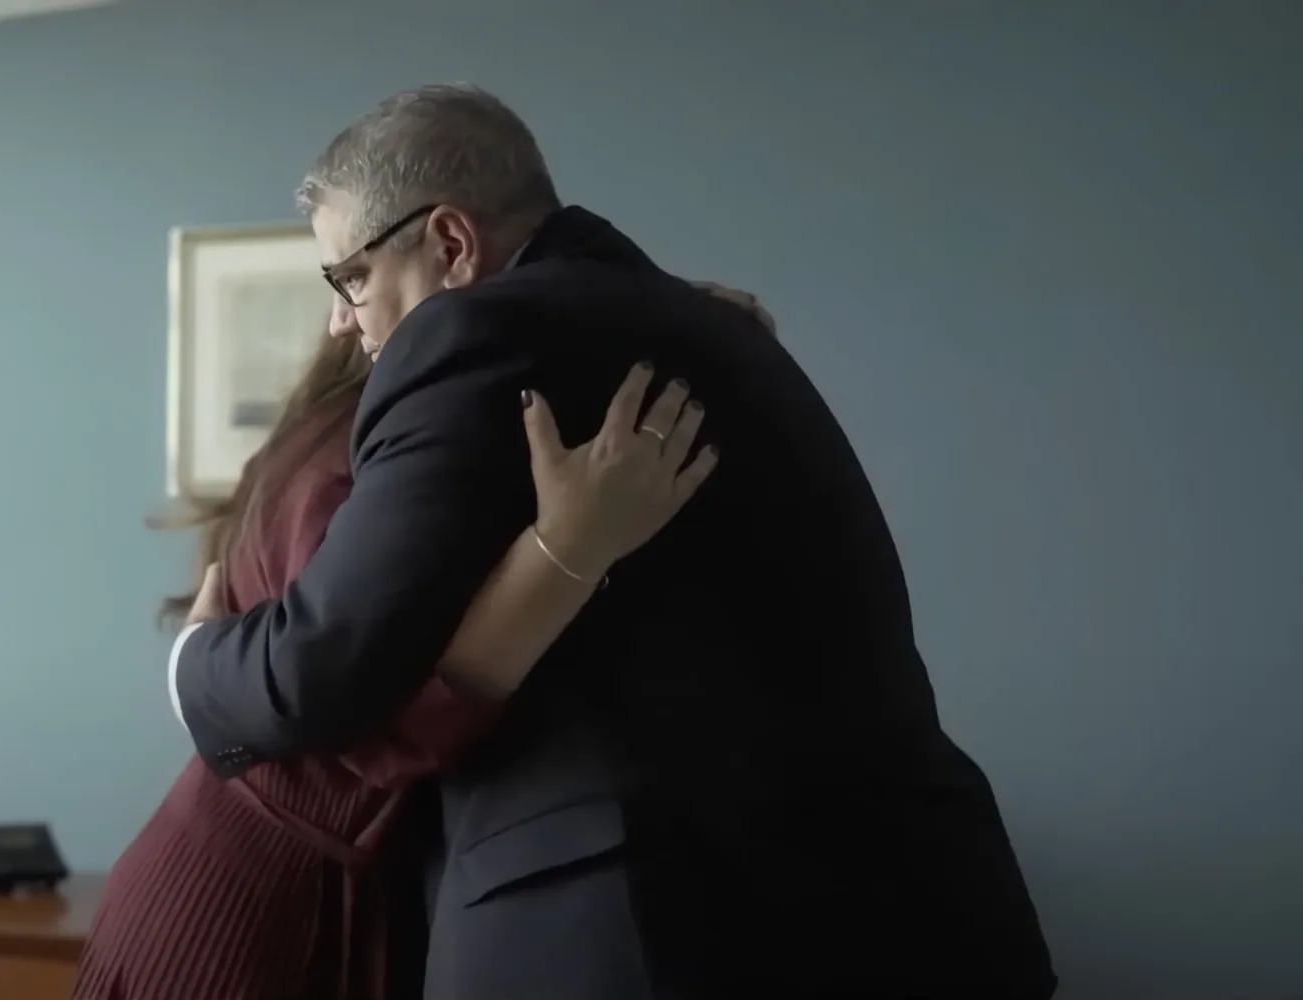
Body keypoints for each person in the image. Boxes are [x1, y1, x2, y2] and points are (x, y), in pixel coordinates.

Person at [170, 84, 1058, 999]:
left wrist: (194, 661)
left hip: (639, 927)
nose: (340, 318)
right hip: (918, 909)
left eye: (349, 278)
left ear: (449, 243)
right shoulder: (716, 328)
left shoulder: (471, 335)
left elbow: (328, 668)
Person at [74, 311, 726, 999]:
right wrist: (569, 549)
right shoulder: (377, 454)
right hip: (247, 916)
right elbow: (371, 719)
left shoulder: (354, 425)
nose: (339, 315)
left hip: (250, 884)